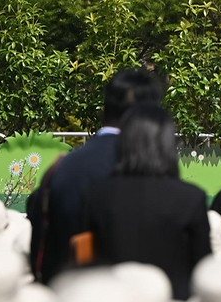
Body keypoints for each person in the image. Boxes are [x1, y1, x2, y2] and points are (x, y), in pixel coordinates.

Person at [27, 67, 164, 283]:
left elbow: (40, 247)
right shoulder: (151, 169)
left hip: (65, 288)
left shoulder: (61, 167)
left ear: (106, 108)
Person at [81, 103, 211, 300]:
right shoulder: (190, 198)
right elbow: (203, 270)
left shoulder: (96, 194)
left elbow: (82, 258)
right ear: (167, 143)